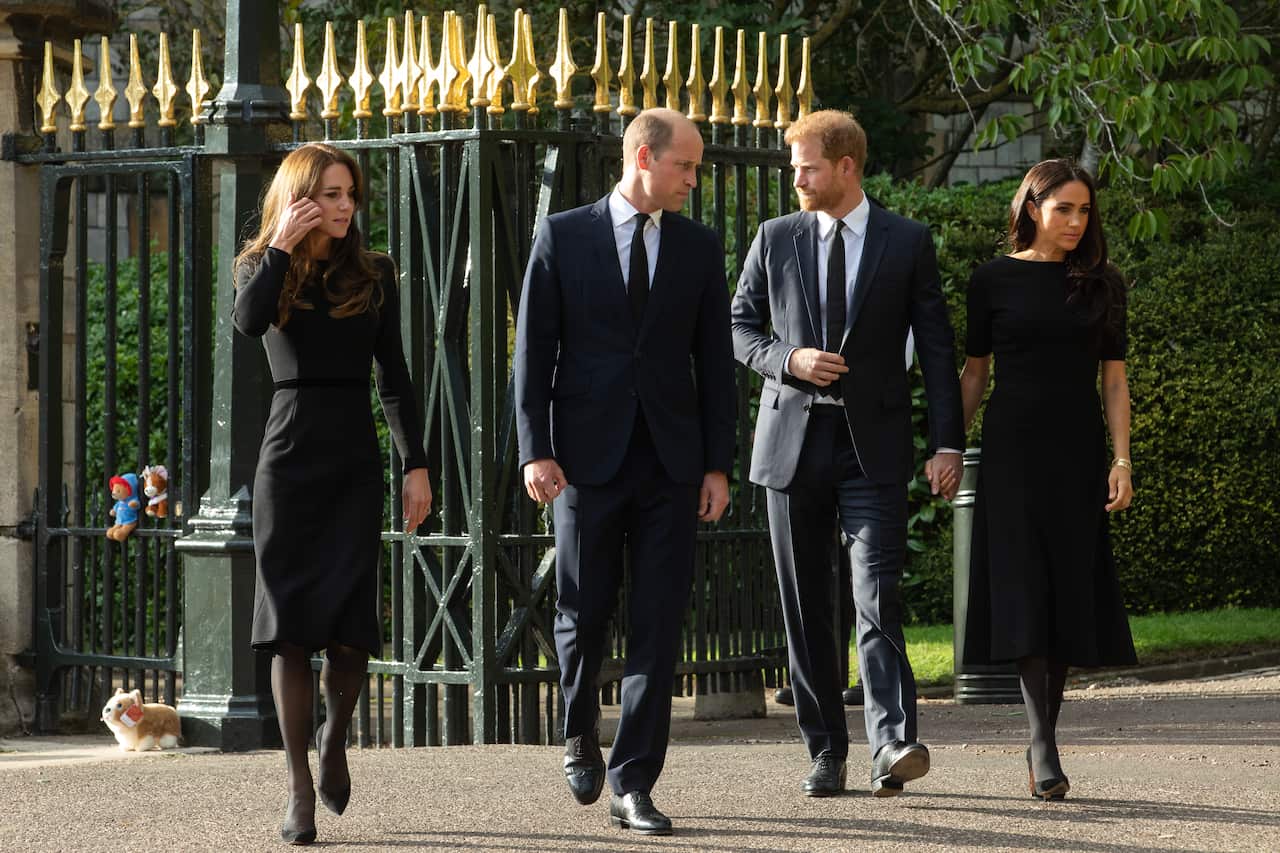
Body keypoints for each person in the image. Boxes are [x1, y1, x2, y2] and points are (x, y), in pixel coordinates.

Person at [515, 107, 736, 835]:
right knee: (582, 608)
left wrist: (716, 464)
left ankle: (633, 779)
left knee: (659, 621)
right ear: (644, 157)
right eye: (686, 167)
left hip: (671, 464)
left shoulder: (700, 249)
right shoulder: (563, 234)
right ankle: (579, 733)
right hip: (584, 458)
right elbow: (532, 353)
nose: (693, 181)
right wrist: (534, 449)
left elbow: (716, 366)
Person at [731, 109, 964, 798]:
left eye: (804, 166)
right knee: (805, 605)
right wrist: (789, 357)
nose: (794, 177)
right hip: (791, 446)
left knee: (876, 595)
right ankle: (826, 749)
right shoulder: (776, 237)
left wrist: (946, 439)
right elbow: (738, 328)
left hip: (874, 447)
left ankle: (891, 741)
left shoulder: (907, 241)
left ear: (845, 167)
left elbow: (940, 347)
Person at [232, 143, 432, 845]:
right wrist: (283, 244)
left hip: (353, 461)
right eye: (331, 194)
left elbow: (396, 375)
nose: (346, 206)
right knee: (290, 629)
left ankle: (335, 737)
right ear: (299, 198)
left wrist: (416, 464)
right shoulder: (262, 267)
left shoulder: (374, 276)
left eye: (351, 194)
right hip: (287, 463)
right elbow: (248, 323)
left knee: (349, 632)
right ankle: (297, 789)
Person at [959, 159, 1136, 801]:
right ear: (1032, 207)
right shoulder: (992, 279)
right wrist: (949, 446)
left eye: (1084, 210)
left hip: (1079, 453)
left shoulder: (1102, 283)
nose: (1075, 221)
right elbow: (975, 372)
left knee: (1063, 587)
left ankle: (1043, 738)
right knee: (1024, 583)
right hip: (1011, 452)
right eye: (1064, 208)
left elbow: (1113, 379)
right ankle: (1043, 743)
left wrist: (1122, 459)